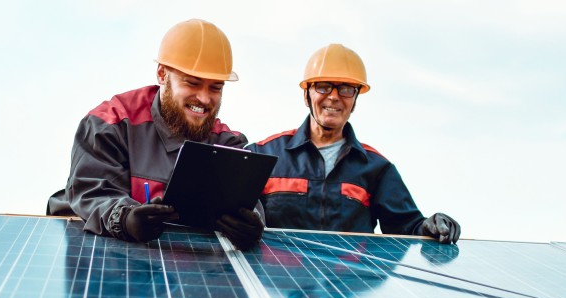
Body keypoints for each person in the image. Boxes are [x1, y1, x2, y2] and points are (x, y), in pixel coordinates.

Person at [46, 19, 264, 249]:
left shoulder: (229, 146)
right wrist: (125, 219)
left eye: (215, 87)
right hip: (105, 263)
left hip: (189, 275)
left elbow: (248, 204)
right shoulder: (111, 123)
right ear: (162, 74)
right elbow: (91, 191)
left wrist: (251, 224)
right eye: (192, 83)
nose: (204, 98)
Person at [245, 44, 461, 244]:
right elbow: (234, 217)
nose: (334, 97)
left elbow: (406, 229)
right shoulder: (263, 155)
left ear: (355, 100)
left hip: (346, 284)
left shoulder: (377, 168)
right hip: (278, 283)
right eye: (323, 87)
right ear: (306, 95)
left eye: (346, 89)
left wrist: (429, 227)